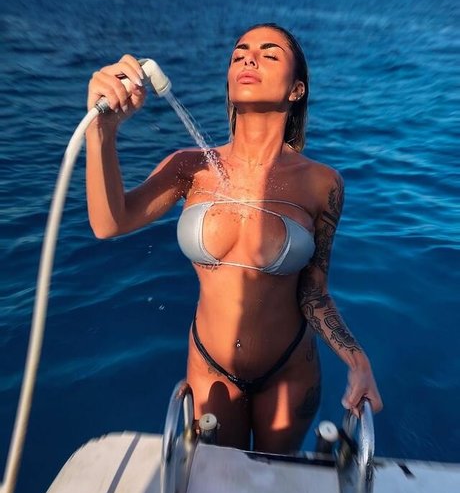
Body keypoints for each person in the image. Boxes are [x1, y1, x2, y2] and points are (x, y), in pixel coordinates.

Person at [85, 23, 383, 454]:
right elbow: (109, 223)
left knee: (275, 481)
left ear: (296, 90)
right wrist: (103, 131)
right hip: (209, 368)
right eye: (239, 53)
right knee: (216, 480)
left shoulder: (323, 184)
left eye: (269, 53)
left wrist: (359, 362)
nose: (249, 58)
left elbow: (314, 293)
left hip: (289, 371)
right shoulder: (188, 167)